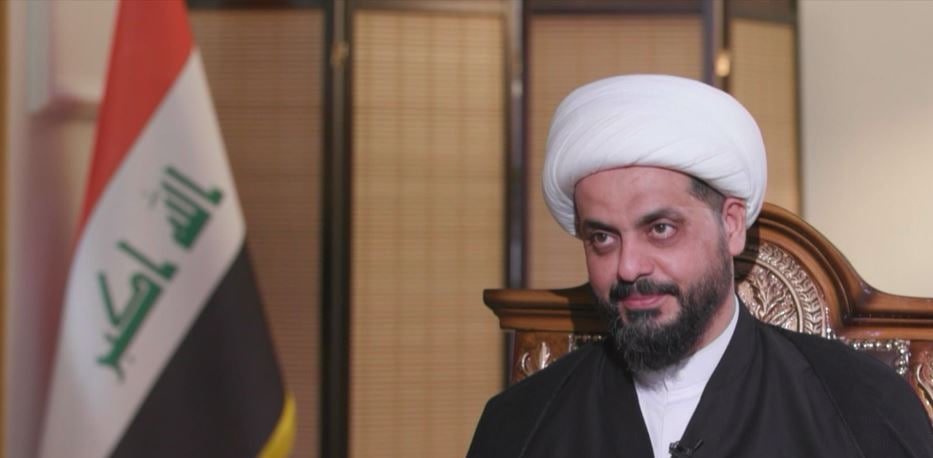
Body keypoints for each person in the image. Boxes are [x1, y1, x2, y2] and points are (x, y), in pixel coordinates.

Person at [468, 75, 933, 457]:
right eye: (603, 238)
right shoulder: (519, 426)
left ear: (731, 226)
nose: (628, 267)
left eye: (660, 229)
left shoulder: (862, 409)